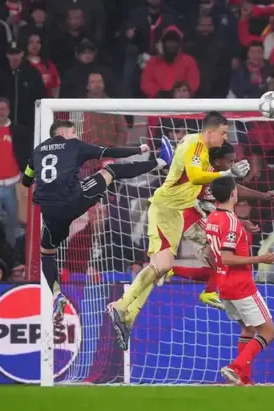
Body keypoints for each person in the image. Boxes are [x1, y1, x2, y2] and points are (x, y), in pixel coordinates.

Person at [108, 111, 251, 351]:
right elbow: (195, 177)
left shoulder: (199, 148)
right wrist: (228, 173)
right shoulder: (196, 144)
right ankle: (120, 307)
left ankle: (128, 318)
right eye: (223, 133)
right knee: (162, 265)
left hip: (175, 213)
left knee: (159, 269)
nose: (225, 138)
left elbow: (193, 179)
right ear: (211, 131)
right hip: (165, 209)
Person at [23, 119, 171, 320]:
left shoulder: (36, 152)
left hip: (51, 214)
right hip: (74, 200)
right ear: (63, 133)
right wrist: (138, 149)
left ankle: (57, 294)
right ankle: (162, 162)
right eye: (73, 131)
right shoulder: (73, 145)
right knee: (111, 171)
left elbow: (26, 181)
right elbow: (109, 152)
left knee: (47, 255)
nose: (76, 134)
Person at [123, 142, 274, 330]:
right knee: (223, 258)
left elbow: (232, 191)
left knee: (218, 269)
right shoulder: (203, 175)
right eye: (229, 161)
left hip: (201, 219)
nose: (232, 164)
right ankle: (209, 292)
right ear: (217, 161)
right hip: (193, 220)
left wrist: (262, 197)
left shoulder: (220, 176)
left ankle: (174, 271)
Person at [206, 177, 274, 385]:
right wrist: (260, 259)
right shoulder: (230, 222)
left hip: (224, 285)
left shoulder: (213, 218)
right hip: (241, 285)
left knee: (248, 329)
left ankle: (244, 380)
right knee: (268, 332)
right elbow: (227, 257)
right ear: (233, 194)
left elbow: (211, 254)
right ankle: (235, 368)